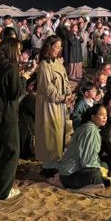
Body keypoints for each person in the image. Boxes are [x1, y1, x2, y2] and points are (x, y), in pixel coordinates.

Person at [0, 38, 26, 202]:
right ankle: (3, 191)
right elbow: (15, 94)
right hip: (8, 115)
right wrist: (24, 77)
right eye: (19, 49)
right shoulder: (10, 68)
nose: (20, 53)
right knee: (11, 153)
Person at [49, 103, 111, 190]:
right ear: (93, 117)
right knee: (96, 173)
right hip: (70, 176)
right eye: (101, 115)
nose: (105, 117)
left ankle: (101, 180)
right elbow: (87, 161)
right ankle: (100, 182)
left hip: (69, 173)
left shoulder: (89, 127)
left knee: (104, 164)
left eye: (106, 115)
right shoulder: (90, 131)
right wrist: (99, 170)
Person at [35, 36, 71, 178]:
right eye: (55, 47)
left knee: (59, 132)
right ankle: (48, 165)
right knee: (50, 133)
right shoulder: (44, 65)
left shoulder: (58, 63)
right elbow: (47, 87)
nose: (57, 50)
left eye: (59, 47)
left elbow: (66, 79)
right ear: (49, 47)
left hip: (60, 104)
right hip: (49, 105)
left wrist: (68, 93)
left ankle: (56, 160)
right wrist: (61, 97)